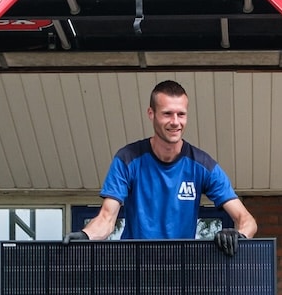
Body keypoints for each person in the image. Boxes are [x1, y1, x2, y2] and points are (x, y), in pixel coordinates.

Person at [77, 80, 257, 252]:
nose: (175, 122)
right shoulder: (127, 159)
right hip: (135, 269)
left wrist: (239, 235)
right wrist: (85, 236)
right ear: (151, 113)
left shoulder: (202, 165)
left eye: (181, 114)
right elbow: (106, 219)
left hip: (180, 270)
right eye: (167, 114)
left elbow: (247, 220)